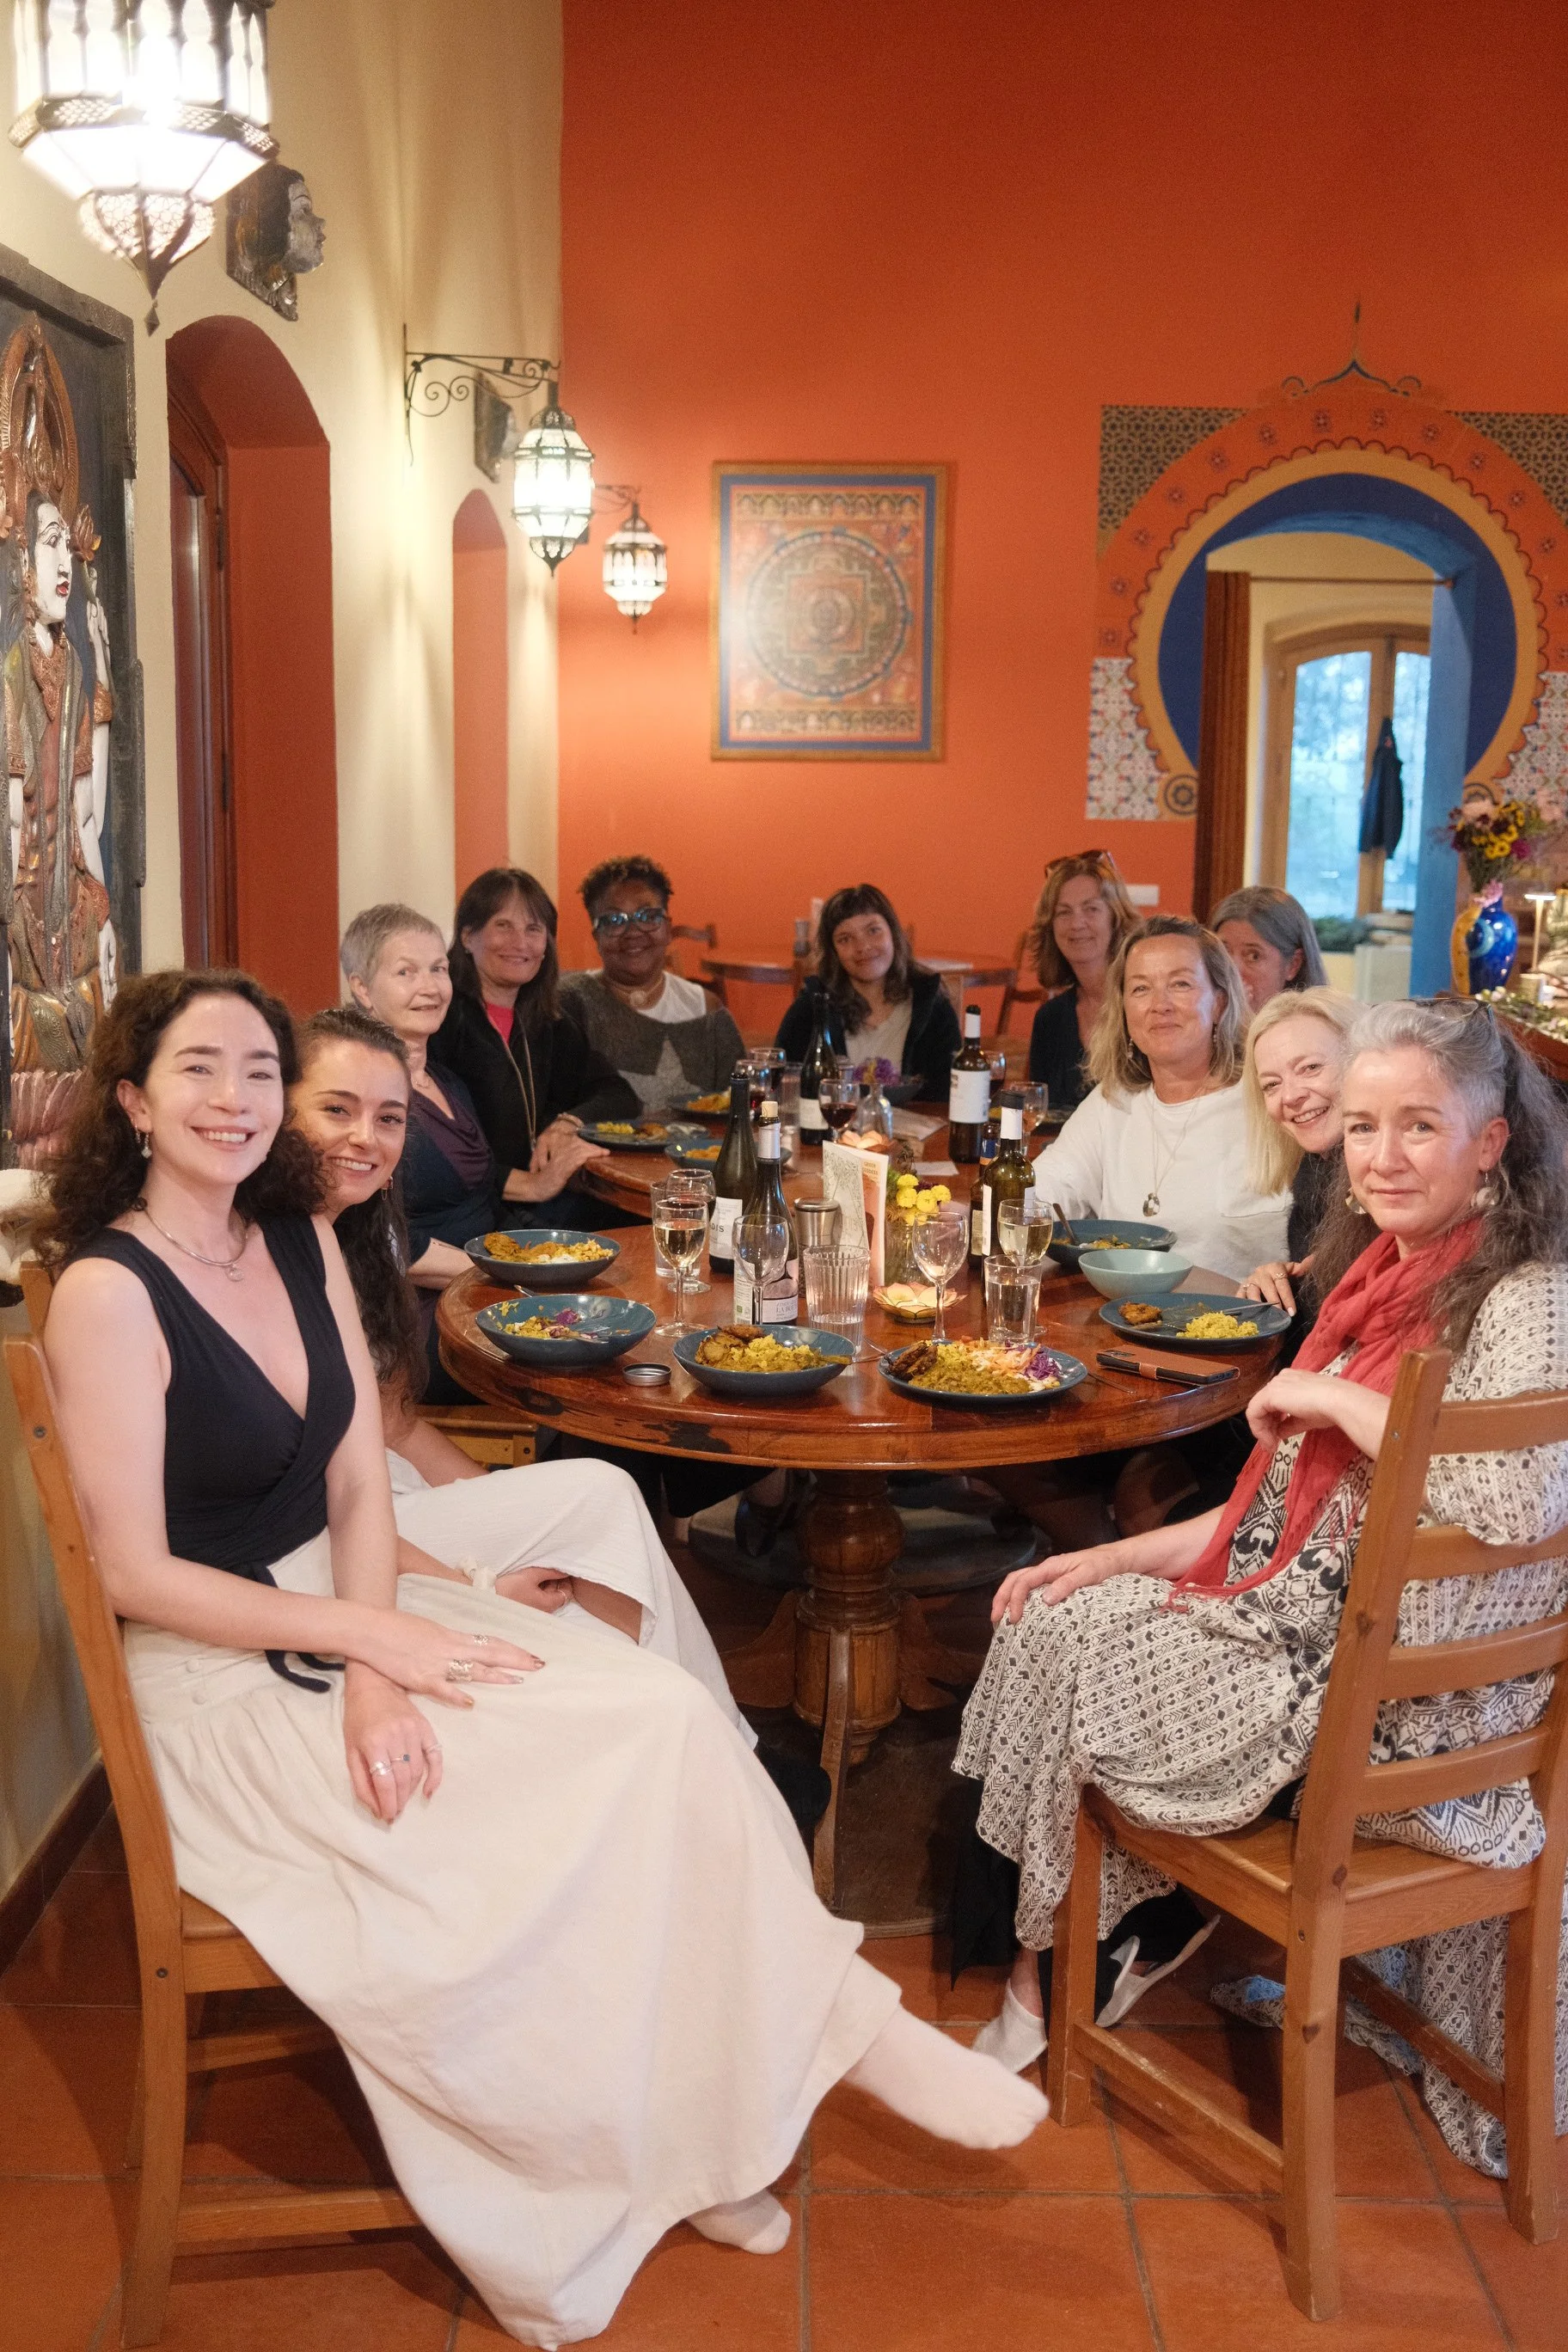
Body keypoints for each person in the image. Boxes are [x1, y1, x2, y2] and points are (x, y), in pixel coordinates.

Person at [38, 969, 1045, 2348]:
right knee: (603, 1764)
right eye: (201, 1070)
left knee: (665, 1720)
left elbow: (358, 1488)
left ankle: (730, 2124)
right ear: (135, 1099)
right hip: (217, 1661)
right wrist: (367, 1641)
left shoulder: (297, 1241)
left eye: (259, 1073)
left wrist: (390, 1652)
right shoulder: (108, 1293)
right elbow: (137, 1577)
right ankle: (754, 2103)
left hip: (343, 1607)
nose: (236, 1099)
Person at [953, 996, 1568, 2186]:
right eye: (1363, 1125)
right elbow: (1287, 1521)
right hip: (1319, 1625)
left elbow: (1510, 1497)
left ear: (1490, 1141)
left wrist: (1332, 1400)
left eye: (1419, 1128)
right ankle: (1079, 1955)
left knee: (1064, 1651)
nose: (1379, 1157)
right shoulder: (1385, 1269)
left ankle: (1066, 1968)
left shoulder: (1530, 1292)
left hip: (1393, 1712)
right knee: (1047, 1607)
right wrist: (1119, 1555)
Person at [291, 1004, 746, 1725]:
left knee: (603, 1496)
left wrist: (502, 1498)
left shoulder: (357, 1231)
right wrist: (476, 1584)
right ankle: (673, 1721)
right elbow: (316, 1504)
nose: (364, 1138)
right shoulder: (276, 1256)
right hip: (334, 1534)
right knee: (597, 1516)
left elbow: (397, 1427)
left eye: (388, 1118)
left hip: (386, 1493)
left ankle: (702, 1730)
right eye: (335, 1110)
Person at [1025, 916, 1289, 1281]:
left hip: (1242, 1326)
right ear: (1124, 1011)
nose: (1159, 1004)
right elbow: (1043, 1191)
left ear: (1219, 1003)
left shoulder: (1269, 1098)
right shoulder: (1114, 1101)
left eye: (1180, 984)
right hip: (1125, 1319)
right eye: (1140, 989)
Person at [431, 867, 637, 1209]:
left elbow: (618, 1094)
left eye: (533, 929)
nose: (520, 943)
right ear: (468, 937)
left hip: (545, 1204)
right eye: (503, 926)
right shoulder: (442, 1021)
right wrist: (531, 1185)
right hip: (474, 1210)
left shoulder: (549, 1022)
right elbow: (436, 1145)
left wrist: (568, 1123)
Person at [560, 855, 744, 1115]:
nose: (633, 931)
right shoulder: (571, 1003)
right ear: (596, 937)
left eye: (648, 916)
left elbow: (738, 1108)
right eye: (614, 921)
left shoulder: (705, 1008)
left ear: (668, 929)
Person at [1237, 987, 1360, 1325]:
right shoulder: (1313, 1168)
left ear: (1363, 1061)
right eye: (1272, 1085)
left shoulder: (1393, 1180)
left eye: (1310, 1068)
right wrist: (1278, 1282)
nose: (1290, 1096)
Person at [775, 884, 959, 1101]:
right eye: (845, 938)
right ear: (834, 952)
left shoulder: (931, 1006)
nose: (863, 946)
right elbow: (780, 1087)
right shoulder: (812, 1009)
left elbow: (951, 1095)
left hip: (918, 1133)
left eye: (873, 930)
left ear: (893, 934)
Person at [1024, 850, 1140, 1113]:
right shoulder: (1049, 1020)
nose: (1077, 923)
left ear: (1115, 918)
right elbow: (1043, 1116)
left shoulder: (1144, 1007)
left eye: (1091, 909)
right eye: (1063, 913)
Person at [1212, 885, 1328, 1019]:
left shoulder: (1311, 1034)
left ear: (1293, 965)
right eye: (1223, 952)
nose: (1232, 970)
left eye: (1253, 956)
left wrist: (1238, 1024)